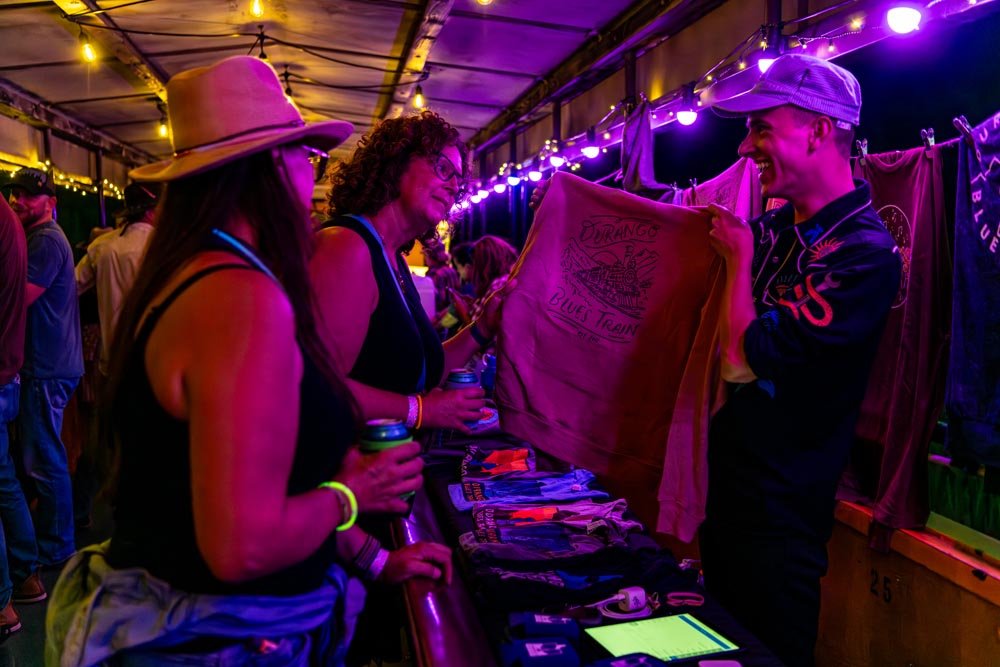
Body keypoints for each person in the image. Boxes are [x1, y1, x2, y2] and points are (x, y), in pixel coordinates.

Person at [45, 56, 450, 666]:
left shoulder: (203, 273)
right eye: (300, 155)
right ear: (266, 167)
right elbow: (242, 544)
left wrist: (377, 558)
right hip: (219, 642)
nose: (310, 171)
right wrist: (352, 492)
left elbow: (273, 483)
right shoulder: (237, 298)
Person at [701, 54, 901, 666]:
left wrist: (737, 262)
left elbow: (739, 361)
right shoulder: (772, 230)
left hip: (781, 527)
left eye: (763, 127)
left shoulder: (864, 255)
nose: (744, 147)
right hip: (723, 503)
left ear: (818, 130)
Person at [311, 110, 513, 432]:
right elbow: (318, 387)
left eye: (458, 181)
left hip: (391, 468)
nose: (452, 187)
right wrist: (421, 410)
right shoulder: (346, 246)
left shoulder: (393, 259)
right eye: (442, 168)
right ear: (395, 162)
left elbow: (420, 369)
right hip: (349, 471)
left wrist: (482, 328)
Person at [3, 167, 82, 572]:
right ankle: (55, 539)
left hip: (47, 366)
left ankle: (57, 546)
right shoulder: (41, 237)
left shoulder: (45, 240)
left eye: (28, 196)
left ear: (51, 202)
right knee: (43, 456)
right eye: (15, 193)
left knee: (44, 460)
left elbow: (20, 298)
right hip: (52, 363)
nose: (18, 201)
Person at [0, 194, 44, 640]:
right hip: (10, 368)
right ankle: (26, 575)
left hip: (6, 369)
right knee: (6, 478)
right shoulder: (10, 220)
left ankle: (1, 603)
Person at [75, 182, 159, 374]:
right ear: (150, 212)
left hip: (112, 359)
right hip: (151, 361)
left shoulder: (102, 246)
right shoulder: (161, 246)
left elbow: (70, 286)